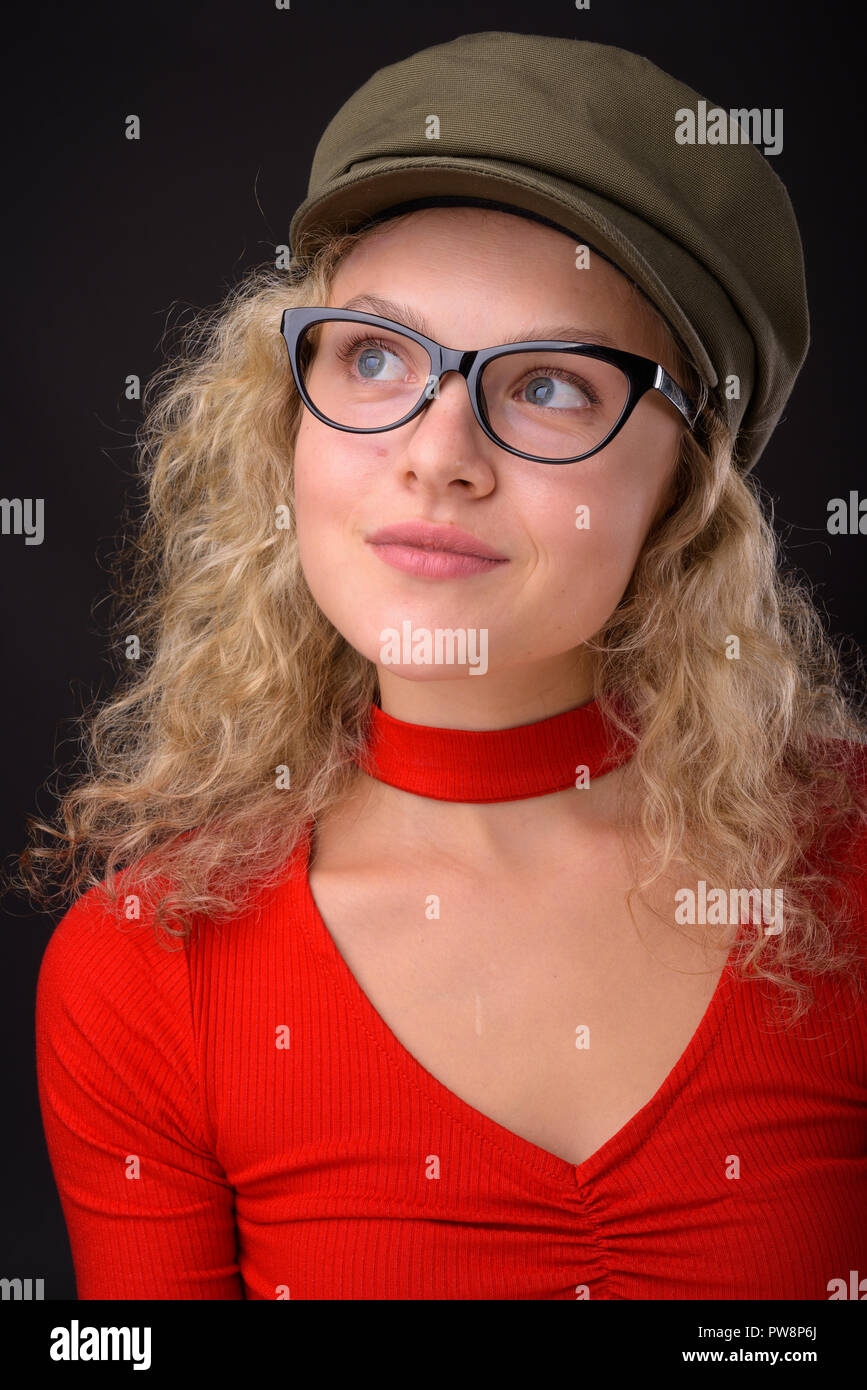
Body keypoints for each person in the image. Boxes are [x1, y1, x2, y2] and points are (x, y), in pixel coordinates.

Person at [19, 32, 867, 1300]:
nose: (437, 451)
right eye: (374, 357)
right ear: (287, 417)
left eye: (551, 388)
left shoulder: (846, 865)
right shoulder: (146, 972)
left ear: (687, 492)